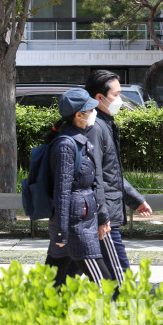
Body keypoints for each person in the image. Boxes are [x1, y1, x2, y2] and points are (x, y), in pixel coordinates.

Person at [43, 88, 119, 288]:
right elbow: (62, 191)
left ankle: (39, 317)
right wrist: (61, 233)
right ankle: (113, 317)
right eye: (90, 110)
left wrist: (101, 217)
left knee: (50, 284)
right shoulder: (66, 145)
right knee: (105, 284)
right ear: (79, 115)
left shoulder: (80, 141)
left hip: (81, 221)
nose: (94, 113)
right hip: (76, 226)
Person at [84, 70, 153, 284]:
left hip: (102, 214)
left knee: (66, 274)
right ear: (99, 98)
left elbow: (111, 173)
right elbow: (95, 177)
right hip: (103, 218)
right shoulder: (96, 127)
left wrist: (135, 199)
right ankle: (122, 313)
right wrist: (103, 217)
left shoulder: (105, 124)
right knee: (119, 276)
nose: (120, 100)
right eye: (116, 94)